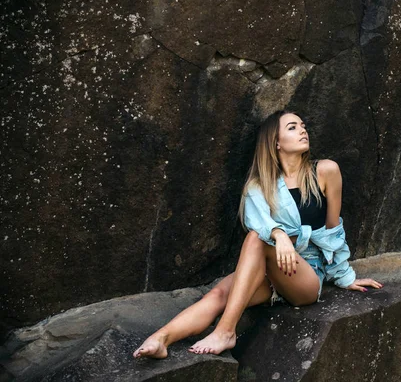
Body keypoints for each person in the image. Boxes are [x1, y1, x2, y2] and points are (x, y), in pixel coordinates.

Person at [133, 110, 382, 358]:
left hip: (305, 273)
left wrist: (344, 276)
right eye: (293, 127)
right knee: (219, 294)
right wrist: (280, 235)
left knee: (256, 240)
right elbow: (258, 223)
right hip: (266, 273)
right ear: (276, 142)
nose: (303, 130)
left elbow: (332, 230)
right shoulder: (259, 186)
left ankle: (225, 331)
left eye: (303, 126)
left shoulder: (326, 171)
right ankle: (162, 338)